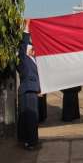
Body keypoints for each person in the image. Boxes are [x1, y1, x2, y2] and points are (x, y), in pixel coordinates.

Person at [17, 19, 40, 150]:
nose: (33, 48)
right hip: (27, 91)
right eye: (31, 47)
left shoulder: (34, 60)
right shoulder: (23, 59)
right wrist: (27, 26)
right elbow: (23, 43)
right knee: (30, 117)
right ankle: (30, 142)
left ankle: (30, 140)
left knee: (32, 117)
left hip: (33, 91)